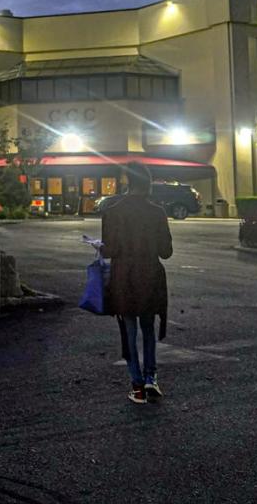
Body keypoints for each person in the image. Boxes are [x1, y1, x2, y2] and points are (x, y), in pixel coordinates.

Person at [100, 162, 173, 404]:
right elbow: (166, 252)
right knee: (148, 327)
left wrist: (99, 247)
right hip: (150, 274)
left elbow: (109, 250)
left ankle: (137, 385)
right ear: (148, 182)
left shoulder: (112, 211)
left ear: (127, 181)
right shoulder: (157, 212)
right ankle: (151, 377)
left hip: (124, 277)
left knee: (128, 329)